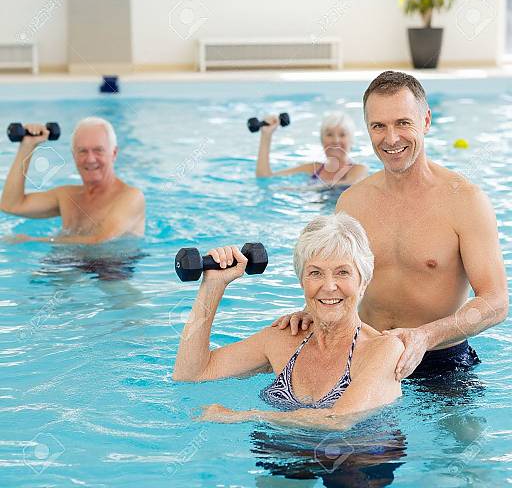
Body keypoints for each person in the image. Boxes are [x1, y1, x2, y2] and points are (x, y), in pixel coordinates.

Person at [274, 71, 508, 380]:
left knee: (464, 430)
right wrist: (315, 313)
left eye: (403, 123)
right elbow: (339, 281)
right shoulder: (351, 203)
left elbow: (496, 300)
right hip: (365, 355)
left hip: (442, 361)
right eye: (379, 126)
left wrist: (424, 336)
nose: (391, 138)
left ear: (425, 121)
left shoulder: (466, 202)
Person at [173, 213, 404, 429]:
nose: (329, 286)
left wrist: (242, 416)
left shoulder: (383, 350)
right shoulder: (283, 338)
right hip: (283, 455)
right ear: (302, 281)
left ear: (363, 281)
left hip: (357, 462)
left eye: (343, 273)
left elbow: (339, 421)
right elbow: (191, 374)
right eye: (315, 273)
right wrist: (213, 286)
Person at [1, 117, 145, 244]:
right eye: (83, 151)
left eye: (98, 150)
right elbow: (11, 205)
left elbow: (102, 241)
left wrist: (33, 241)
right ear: (74, 155)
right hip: (66, 262)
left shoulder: (130, 197)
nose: (90, 159)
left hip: (109, 269)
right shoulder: (67, 196)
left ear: (113, 153)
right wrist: (27, 146)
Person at [256, 112, 368, 188]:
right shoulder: (312, 169)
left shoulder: (358, 170)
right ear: (321, 140)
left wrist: (302, 189)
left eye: (342, 135)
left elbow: (348, 184)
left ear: (352, 141)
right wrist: (266, 135)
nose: (335, 140)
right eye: (329, 134)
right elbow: (265, 177)